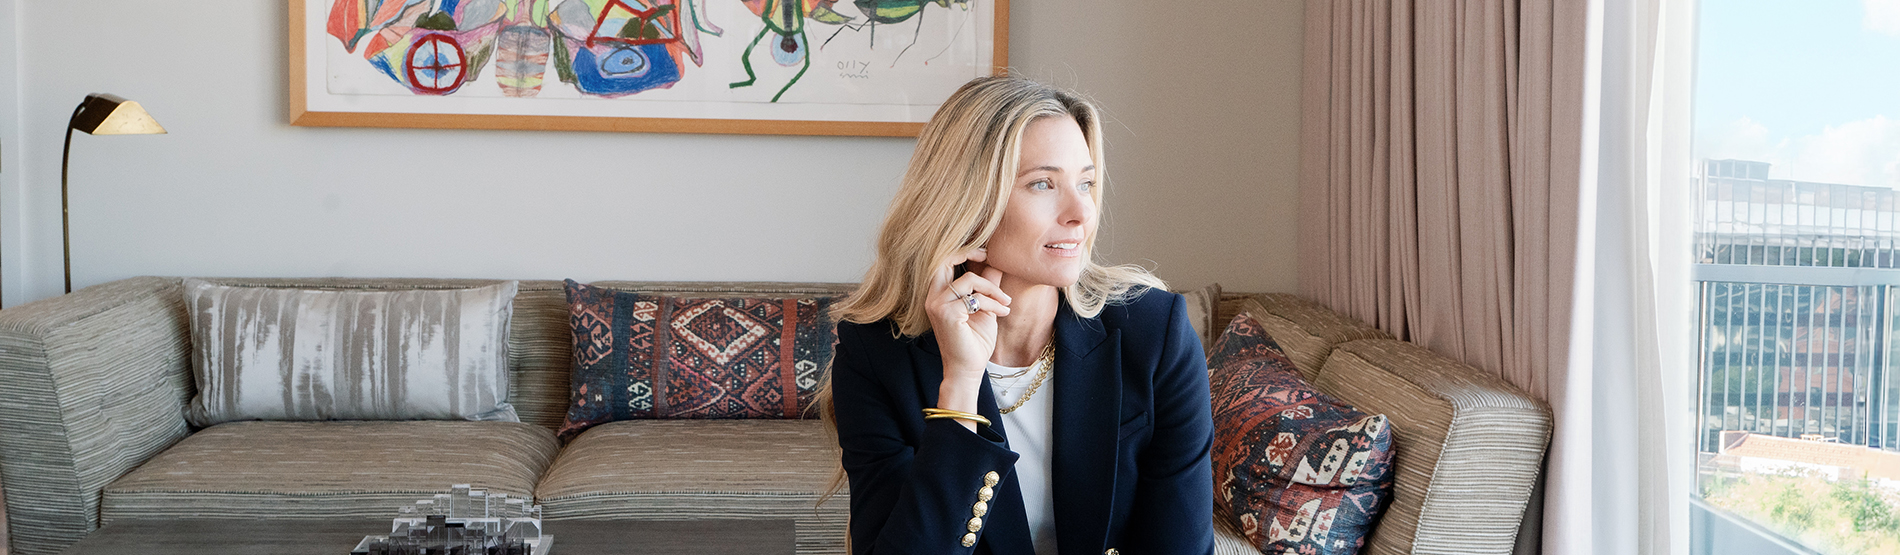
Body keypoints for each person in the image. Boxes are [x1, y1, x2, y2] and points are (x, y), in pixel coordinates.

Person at [822, 75, 1215, 555]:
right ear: (968, 200)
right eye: (1043, 184)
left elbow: (1180, 545)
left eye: (1086, 183)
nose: (1080, 212)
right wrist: (961, 382)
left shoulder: (1155, 333)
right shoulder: (876, 353)